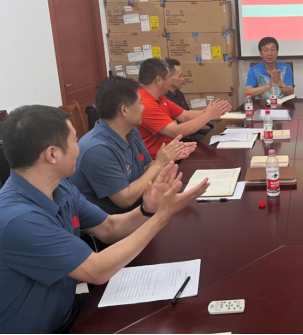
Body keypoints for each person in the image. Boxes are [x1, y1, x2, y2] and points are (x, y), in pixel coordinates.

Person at [0, 105, 210, 334]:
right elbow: (97, 270)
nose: (79, 149)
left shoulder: (61, 187)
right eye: (75, 141)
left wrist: (149, 209)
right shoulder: (18, 219)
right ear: (52, 154)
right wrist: (162, 216)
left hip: (67, 312)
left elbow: (109, 228)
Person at [70, 77, 196, 214]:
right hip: (117, 220)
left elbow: (147, 168)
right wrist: (159, 164)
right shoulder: (97, 149)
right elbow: (125, 200)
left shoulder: (131, 132)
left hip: (141, 207)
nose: (143, 108)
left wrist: (167, 158)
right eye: (140, 103)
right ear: (124, 110)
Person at [137, 59, 231, 159]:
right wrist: (208, 115)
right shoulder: (145, 103)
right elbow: (175, 132)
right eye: (168, 78)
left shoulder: (160, 97)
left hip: (172, 153)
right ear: (159, 80)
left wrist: (213, 111)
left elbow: (185, 115)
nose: (169, 82)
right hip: (157, 160)